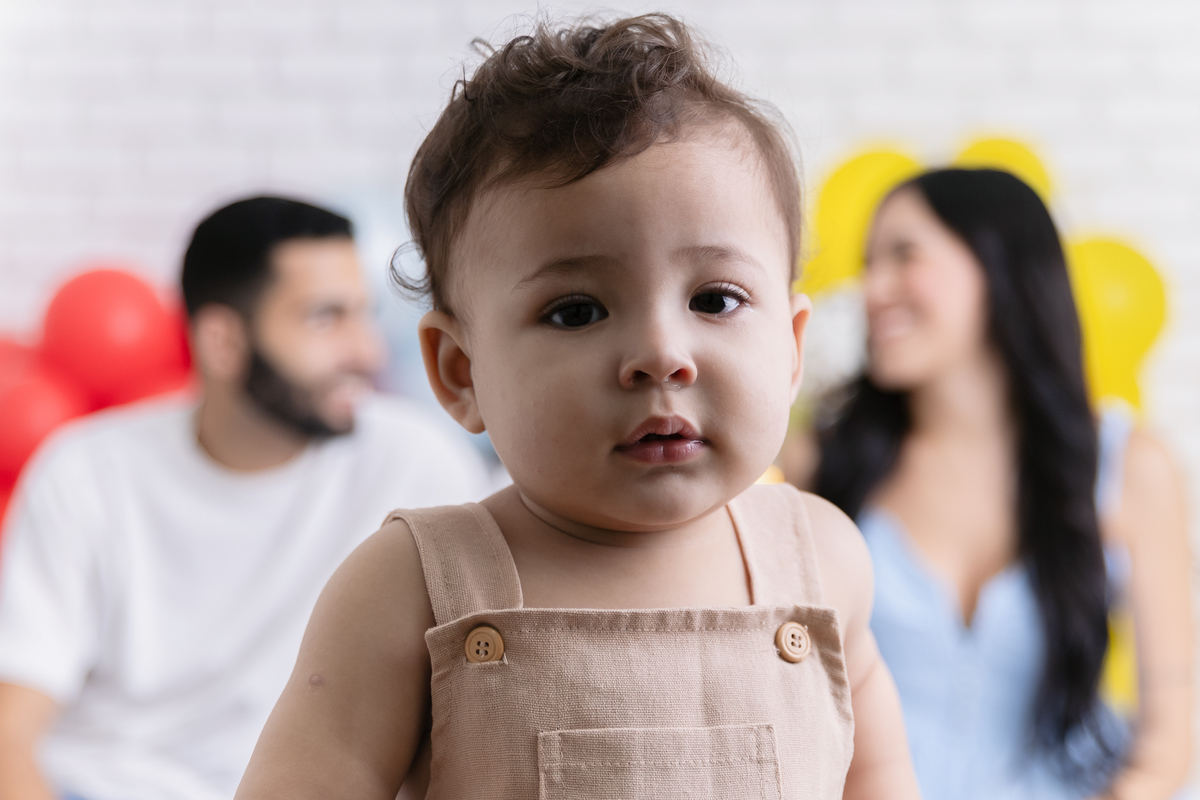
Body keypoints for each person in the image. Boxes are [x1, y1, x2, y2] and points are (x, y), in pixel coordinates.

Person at [234, 15, 920, 800]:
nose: (663, 354)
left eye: (715, 298)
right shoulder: (412, 590)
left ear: (792, 348)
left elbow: (880, 778)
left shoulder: (823, 562)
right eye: (576, 311)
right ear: (461, 371)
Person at [0, 196, 489, 800]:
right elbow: (11, 730)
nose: (367, 353)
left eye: (363, 315)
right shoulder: (86, 471)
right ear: (223, 341)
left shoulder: (416, 460)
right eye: (325, 318)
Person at [813, 169, 1193, 799]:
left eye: (904, 255)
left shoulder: (1132, 465)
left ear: (1000, 266)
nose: (871, 289)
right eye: (867, 263)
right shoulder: (823, 466)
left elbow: (1168, 743)